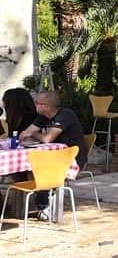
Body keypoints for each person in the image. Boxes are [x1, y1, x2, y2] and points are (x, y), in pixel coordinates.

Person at [20, 90, 87, 219]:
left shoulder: (65, 115)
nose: (34, 105)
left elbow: (47, 139)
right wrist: (29, 133)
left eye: (37, 103)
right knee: (26, 169)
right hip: (52, 157)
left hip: (71, 158)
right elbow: (25, 133)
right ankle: (39, 203)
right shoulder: (43, 116)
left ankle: (45, 206)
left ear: (46, 106)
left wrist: (33, 134)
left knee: (41, 170)